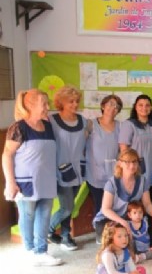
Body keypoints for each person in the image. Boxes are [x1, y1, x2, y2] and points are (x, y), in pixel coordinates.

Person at [2, 89, 62, 266]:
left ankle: (41, 251)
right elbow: (6, 155)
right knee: (27, 215)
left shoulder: (48, 126)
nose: (47, 107)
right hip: (26, 182)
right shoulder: (19, 127)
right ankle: (29, 250)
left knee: (44, 215)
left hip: (47, 180)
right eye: (44, 103)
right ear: (30, 105)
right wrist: (10, 183)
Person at [48, 86, 88, 251]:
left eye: (77, 101)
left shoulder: (83, 120)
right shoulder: (52, 121)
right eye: (70, 101)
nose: (74, 104)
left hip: (78, 170)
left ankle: (65, 236)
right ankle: (47, 230)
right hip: (60, 170)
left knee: (69, 205)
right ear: (61, 103)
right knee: (67, 207)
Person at [93, 149, 152, 246]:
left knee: (150, 218)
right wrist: (121, 221)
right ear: (120, 163)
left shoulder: (142, 180)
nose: (132, 165)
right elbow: (105, 209)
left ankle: (151, 246)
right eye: (127, 162)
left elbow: (147, 204)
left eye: (134, 162)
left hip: (130, 216)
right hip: (110, 218)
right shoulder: (111, 183)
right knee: (115, 238)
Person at [86, 94, 123, 218]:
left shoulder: (120, 126)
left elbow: (122, 149)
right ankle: (99, 233)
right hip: (94, 173)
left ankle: (110, 233)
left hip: (113, 173)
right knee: (99, 204)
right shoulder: (91, 124)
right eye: (110, 104)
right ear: (103, 106)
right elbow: (81, 146)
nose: (113, 108)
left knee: (112, 204)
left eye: (117, 107)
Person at [119, 94, 152, 179]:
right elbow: (124, 149)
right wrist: (128, 167)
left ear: (151, 107)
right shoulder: (128, 124)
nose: (144, 108)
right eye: (140, 105)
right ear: (135, 107)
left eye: (147, 105)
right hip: (138, 168)